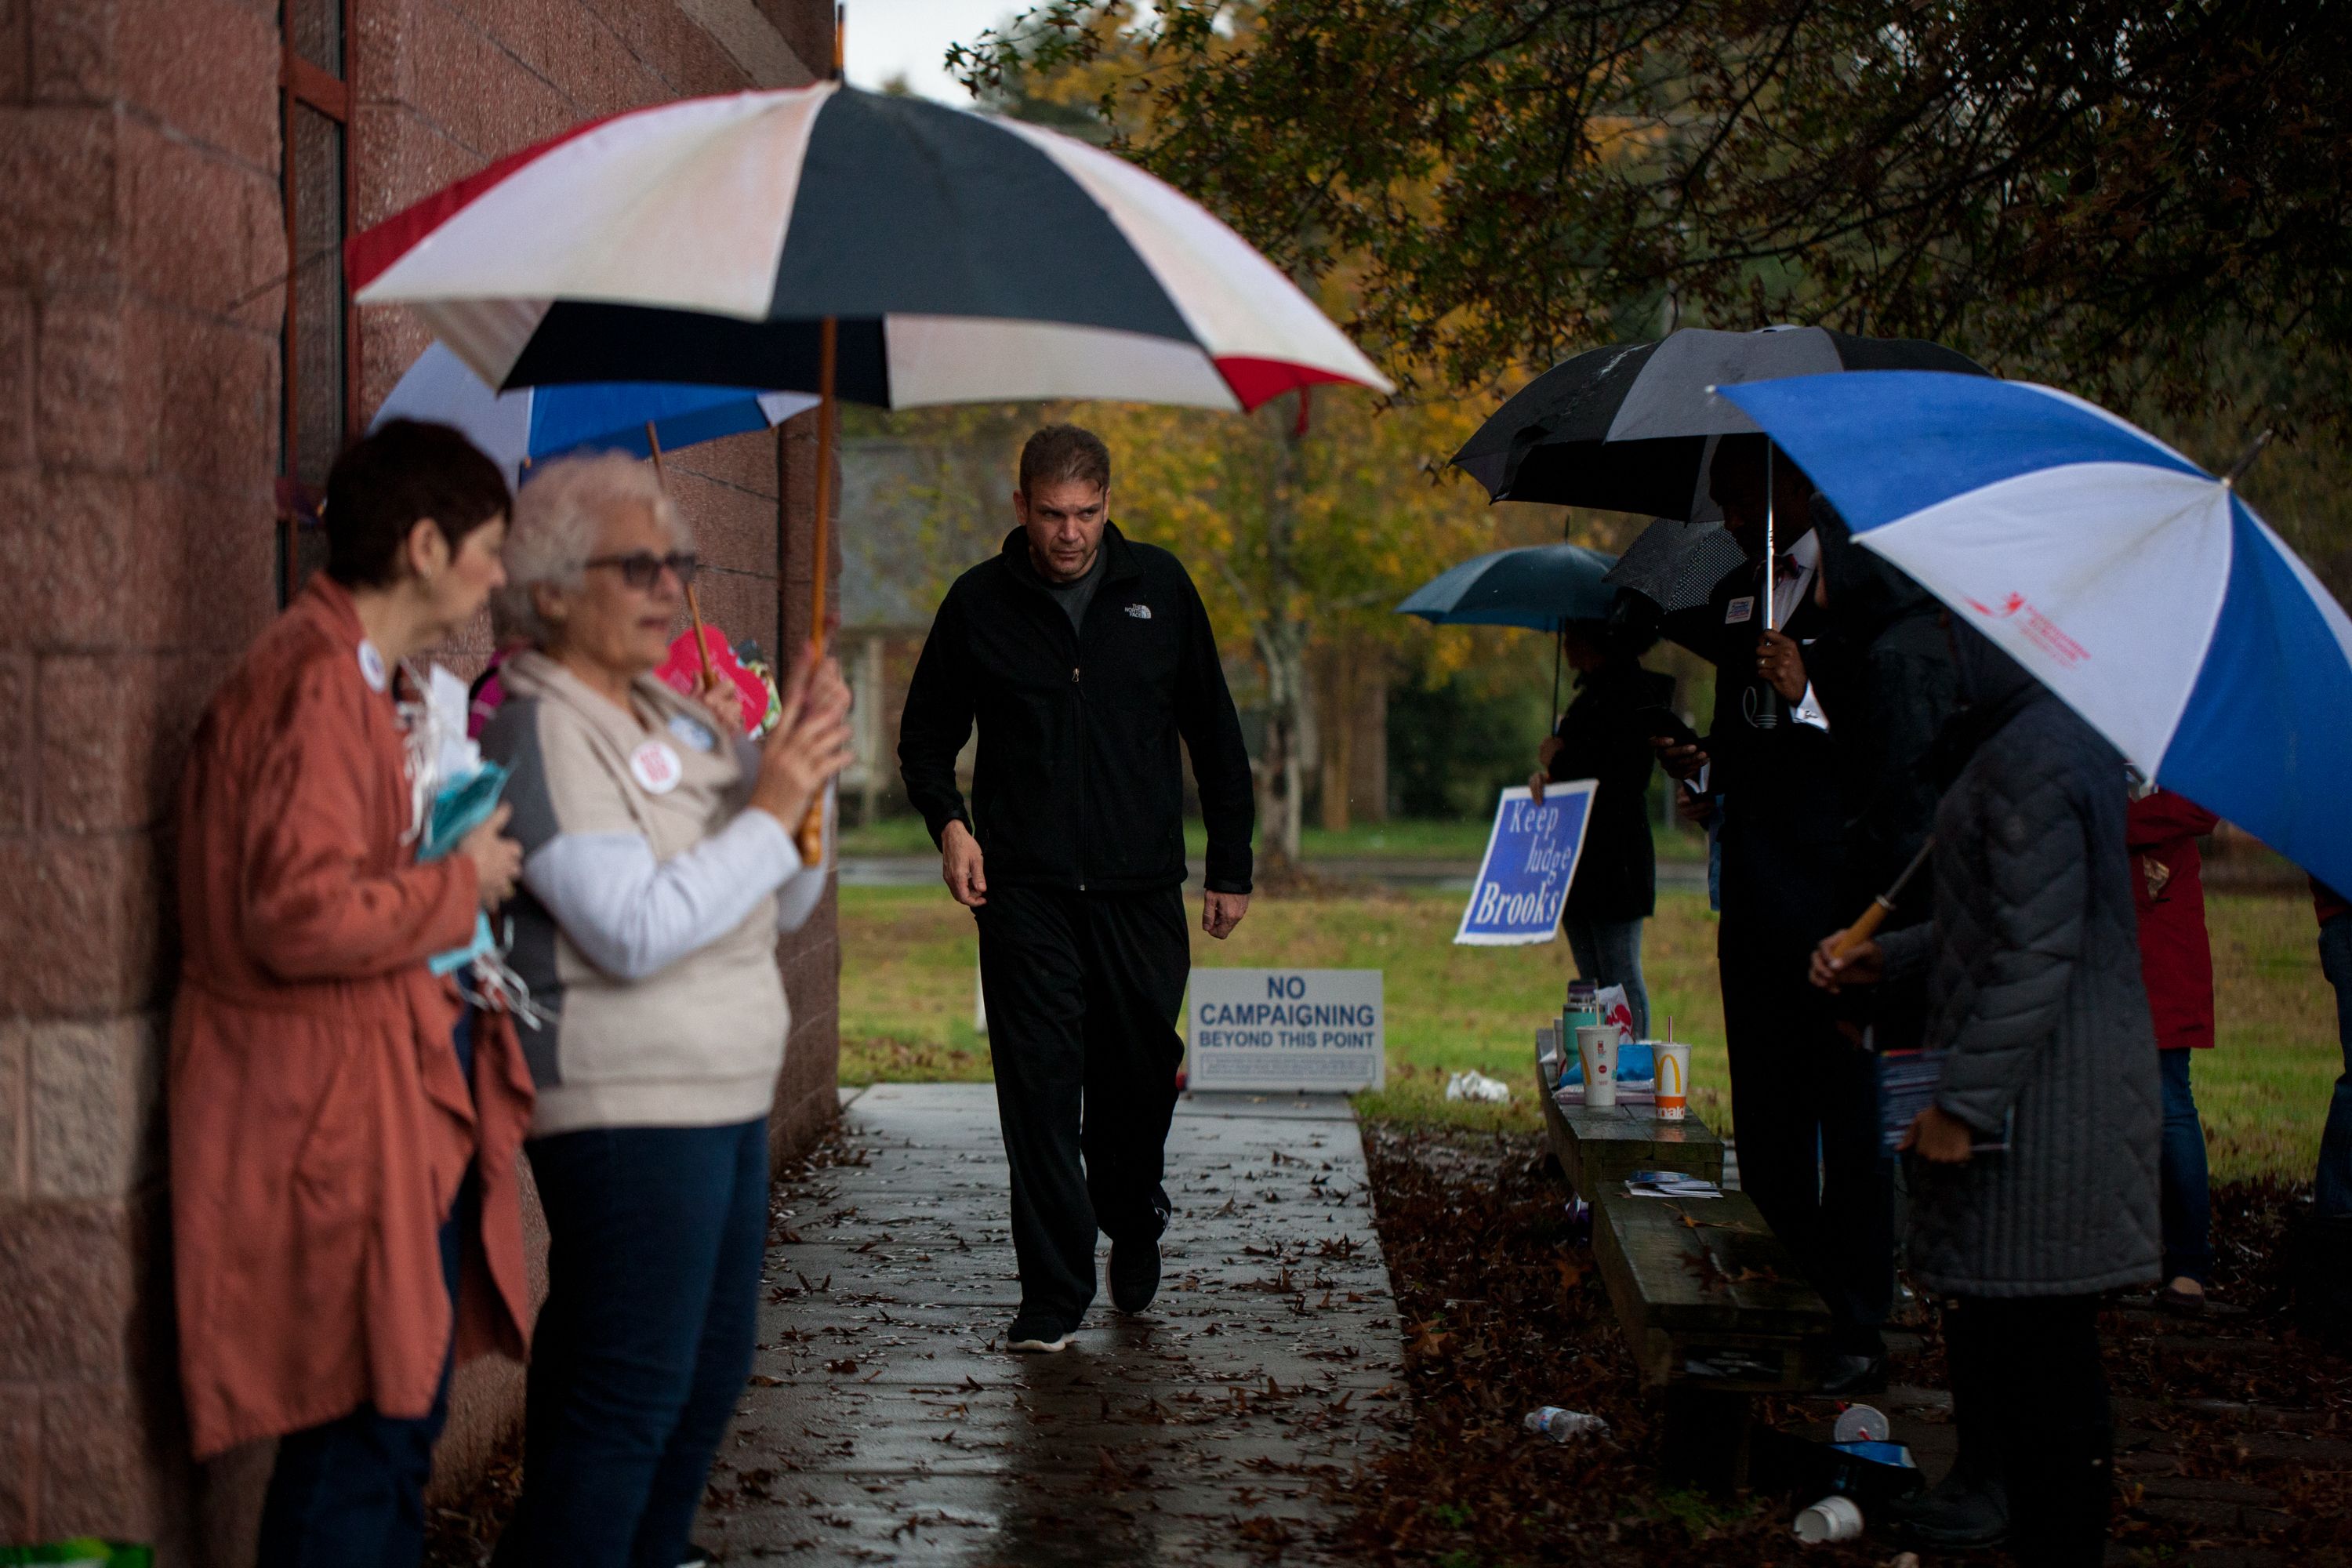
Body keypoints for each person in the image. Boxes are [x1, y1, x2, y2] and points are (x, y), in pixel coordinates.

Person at [169, 419, 535, 1566]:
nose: (499, 575)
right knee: (365, 1439)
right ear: (425, 546)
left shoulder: (349, 678)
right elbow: (299, 912)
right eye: (487, 547)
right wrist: (456, 879)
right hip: (328, 1123)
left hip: (358, 1106)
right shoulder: (321, 683)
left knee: (388, 1427)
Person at [477, 453, 853, 1568]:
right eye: (632, 564)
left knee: (703, 1380)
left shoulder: (679, 718)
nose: (664, 585)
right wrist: (768, 802)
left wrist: (807, 770)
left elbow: (785, 891)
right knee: (629, 1396)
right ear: (548, 589)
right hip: (627, 1104)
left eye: (673, 562)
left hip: (720, 1094)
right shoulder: (536, 728)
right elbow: (630, 927)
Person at [897, 423, 1257, 1353]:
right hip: (1025, 894)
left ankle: (1132, 1212)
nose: (1070, 533)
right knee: (1041, 1091)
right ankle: (1052, 1296)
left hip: (1141, 891)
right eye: (1052, 514)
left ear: (1109, 504)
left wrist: (1231, 862)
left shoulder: (1161, 589)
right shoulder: (978, 604)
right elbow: (925, 738)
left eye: (1087, 514)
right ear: (1020, 507)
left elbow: (1214, 732)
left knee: (1136, 1083)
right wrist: (950, 826)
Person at [1813, 624, 2159, 1566]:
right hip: (2038, 1099)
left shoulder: (2039, 756)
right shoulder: (2027, 740)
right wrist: (1895, 955)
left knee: (2045, 1369)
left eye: (1968, 628)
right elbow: (1999, 919)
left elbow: (2038, 954)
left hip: (2048, 1111)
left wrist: (1963, 1101)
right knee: (2026, 1352)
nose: (1949, 647)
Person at [1653, 437, 1892, 1392]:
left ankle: (1859, 1319)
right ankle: (1776, 1298)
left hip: (1838, 904)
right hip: (1750, 892)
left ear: (1792, 481)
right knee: (1769, 1113)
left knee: (1849, 1111)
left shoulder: (1865, 586)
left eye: (1733, 485)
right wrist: (1703, 770)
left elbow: (1887, 734)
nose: (1716, 503)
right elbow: (1739, 737)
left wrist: (1810, 695)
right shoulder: (1734, 596)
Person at [1528, 609, 1672, 1037]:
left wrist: (1562, 758)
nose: (1564, 640)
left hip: (1616, 860)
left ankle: (1634, 1069)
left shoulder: (1631, 693)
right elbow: (1573, 774)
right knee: (1590, 978)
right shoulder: (1586, 698)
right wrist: (1546, 778)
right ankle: (1598, 1068)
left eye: (1571, 631)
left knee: (1619, 972)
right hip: (1578, 860)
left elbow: (1620, 774)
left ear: (1591, 639)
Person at [2127, 786, 2222, 1311]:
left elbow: (2201, 803)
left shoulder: (2176, 727)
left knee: (2167, 1099)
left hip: (2158, 930)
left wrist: (2101, 817)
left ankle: (2189, 1263)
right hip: (2093, 928)